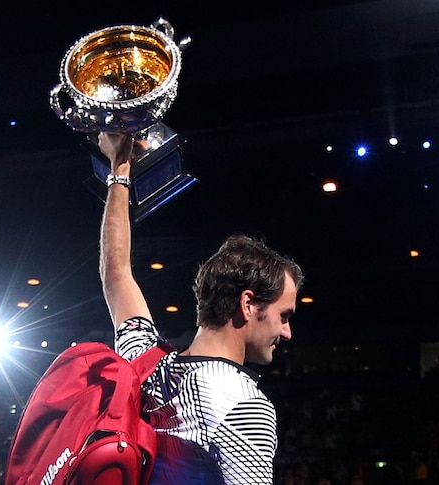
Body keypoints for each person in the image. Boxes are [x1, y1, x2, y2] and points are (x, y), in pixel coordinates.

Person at [97, 132, 305, 484]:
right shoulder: (244, 406)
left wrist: (120, 168)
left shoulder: (146, 363)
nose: (287, 332)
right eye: (284, 316)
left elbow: (114, 273)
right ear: (248, 303)